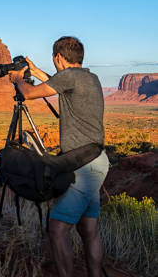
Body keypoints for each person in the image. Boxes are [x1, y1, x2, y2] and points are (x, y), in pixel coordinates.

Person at [7, 36, 109, 277]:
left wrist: (19, 78)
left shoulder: (68, 78)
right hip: (96, 161)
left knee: (58, 228)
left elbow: (30, 93)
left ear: (59, 57)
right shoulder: (89, 77)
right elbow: (56, 82)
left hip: (83, 168)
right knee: (89, 229)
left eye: (54, 59)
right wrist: (35, 70)